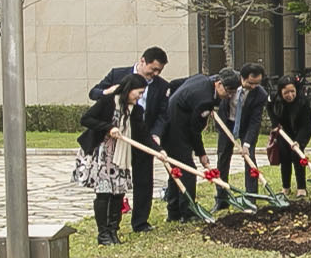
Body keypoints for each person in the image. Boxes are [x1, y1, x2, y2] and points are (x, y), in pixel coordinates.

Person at [90, 47, 168, 233]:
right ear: (142, 61)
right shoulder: (117, 75)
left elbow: (162, 114)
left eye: (159, 71)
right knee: (113, 184)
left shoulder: (161, 86)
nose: (155, 74)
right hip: (115, 140)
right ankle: (107, 230)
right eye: (153, 69)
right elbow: (94, 93)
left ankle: (140, 222)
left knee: (144, 180)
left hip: (142, 135)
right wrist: (108, 92)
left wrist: (156, 138)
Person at [73, 72, 144, 246]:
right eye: (139, 92)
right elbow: (86, 119)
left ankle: (113, 231)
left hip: (121, 155)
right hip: (102, 154)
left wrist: (159, 151)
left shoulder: (135, 110)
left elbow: (143, 134)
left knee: (118, 193)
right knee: (104, 193)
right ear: (129, 90)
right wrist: (108, 128)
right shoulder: (108, 102)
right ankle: (103, 234)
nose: (140, 97)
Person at [162, 69, 242, 221]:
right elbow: (195, 130)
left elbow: (176, 84)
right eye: (229, 91)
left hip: (172, 125)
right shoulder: (204, 100)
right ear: (219, 84)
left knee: (176, 170)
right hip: (176, 131)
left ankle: (173, 212)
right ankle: (188, 212)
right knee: (188, 171)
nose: (229, 96)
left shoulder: (202, 79)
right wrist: (201, 153)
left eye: (233, 93)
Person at [214, 62, 269, 198]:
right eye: (250, 83)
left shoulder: (260, 95)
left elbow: (255, 121)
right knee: (223, 158)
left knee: (250, 159)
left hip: (246, 126)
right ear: (242, 78)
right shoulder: (230, 82)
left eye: (257, 83)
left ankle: (251, 196)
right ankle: (222, 197)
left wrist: (247, 144)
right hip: (227, 123)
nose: (254, 86)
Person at [268, 76, 311, 195]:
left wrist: (299, 141)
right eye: (286, 93)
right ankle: (286, 187)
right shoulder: (275, 99)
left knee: (297, 155)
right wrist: (275, 124)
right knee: (284, 156)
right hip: (283, 131)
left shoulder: (302, 102)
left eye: (292, 91)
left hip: (300, 130)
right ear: (280, 92)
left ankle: (301, 188)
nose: (290, 95)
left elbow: (307, 124)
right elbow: (269, 108)